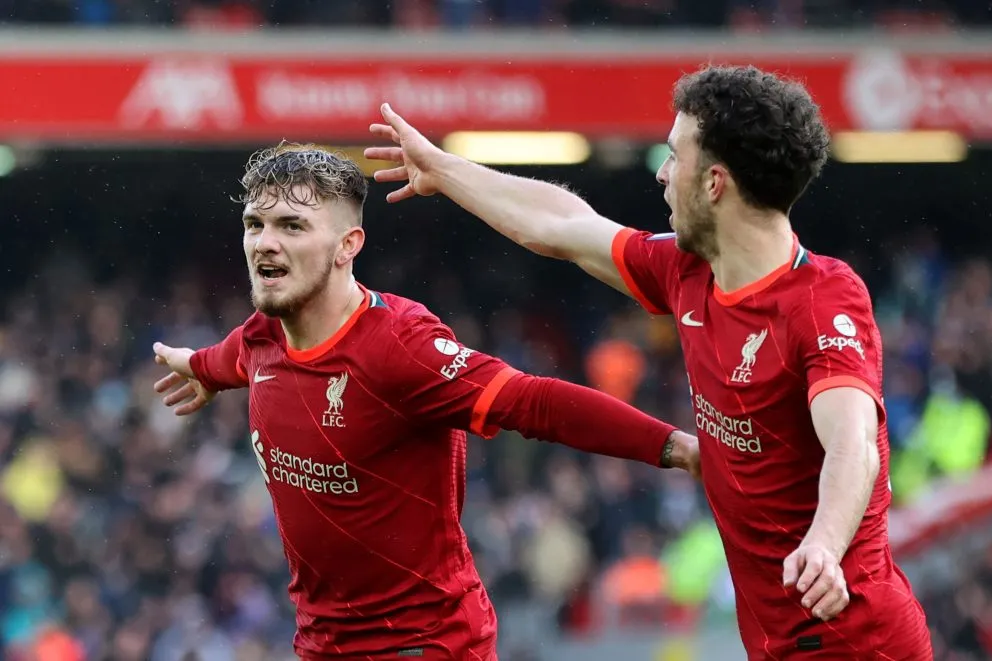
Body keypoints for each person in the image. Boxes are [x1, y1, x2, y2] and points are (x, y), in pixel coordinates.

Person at [365, 65, 932, 659]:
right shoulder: (688, 273)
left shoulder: (821, 299)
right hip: (778, 640)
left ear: (714, 183)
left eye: (673, 156)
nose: (662, 174)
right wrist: (444, 169)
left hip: (856, 638)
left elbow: (853, 442)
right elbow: (562, 225)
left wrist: (823, 542)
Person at [150, 144, 699, 661]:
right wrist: (200, 370)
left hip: (426, 645)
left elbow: (534, 401)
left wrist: (674, 447)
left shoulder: (398, 347)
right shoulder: (262, 335)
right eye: (255, 224)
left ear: (348, 246)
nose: (265, 242)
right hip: (321, 646)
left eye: (292, 226)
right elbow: (232, 358)